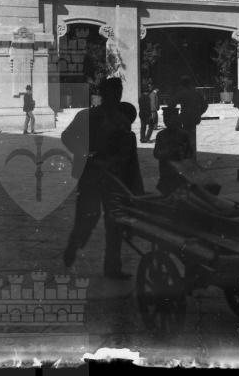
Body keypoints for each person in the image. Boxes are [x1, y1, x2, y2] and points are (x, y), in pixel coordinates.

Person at [62, 77, 144, 279]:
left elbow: (128, 156)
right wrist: (86, 154)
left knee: (114, 221)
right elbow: (67, 136)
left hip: (113, 179)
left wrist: (133, 185)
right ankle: (73, 246)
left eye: (118, 92)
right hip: (91, 175)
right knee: (87, 216)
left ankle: (112, 267)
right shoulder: (87, 116)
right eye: (112, 92)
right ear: (103, 94)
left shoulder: (122, 121)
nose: (116, 96)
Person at [153, 106, 193, 196]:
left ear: (176, 119)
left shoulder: (183, 135)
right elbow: (156, 153)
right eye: (165, 118)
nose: (166, 121)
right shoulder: (161, 135)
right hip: (166, 174)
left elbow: (189, 154)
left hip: (180, 174)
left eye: (169, 118)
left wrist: (181, 153)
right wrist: (168, 153)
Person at [172, 75, 208, 156]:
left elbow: (171, 104)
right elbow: (205, 105)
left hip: (185, 118)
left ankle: (187, 157)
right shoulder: (196, 93)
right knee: (192, 137)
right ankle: (192, 157)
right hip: (194, 118)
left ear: (182, 84)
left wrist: (176, 116)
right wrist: (199, 113)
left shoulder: (181, 93)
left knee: (185, 138)